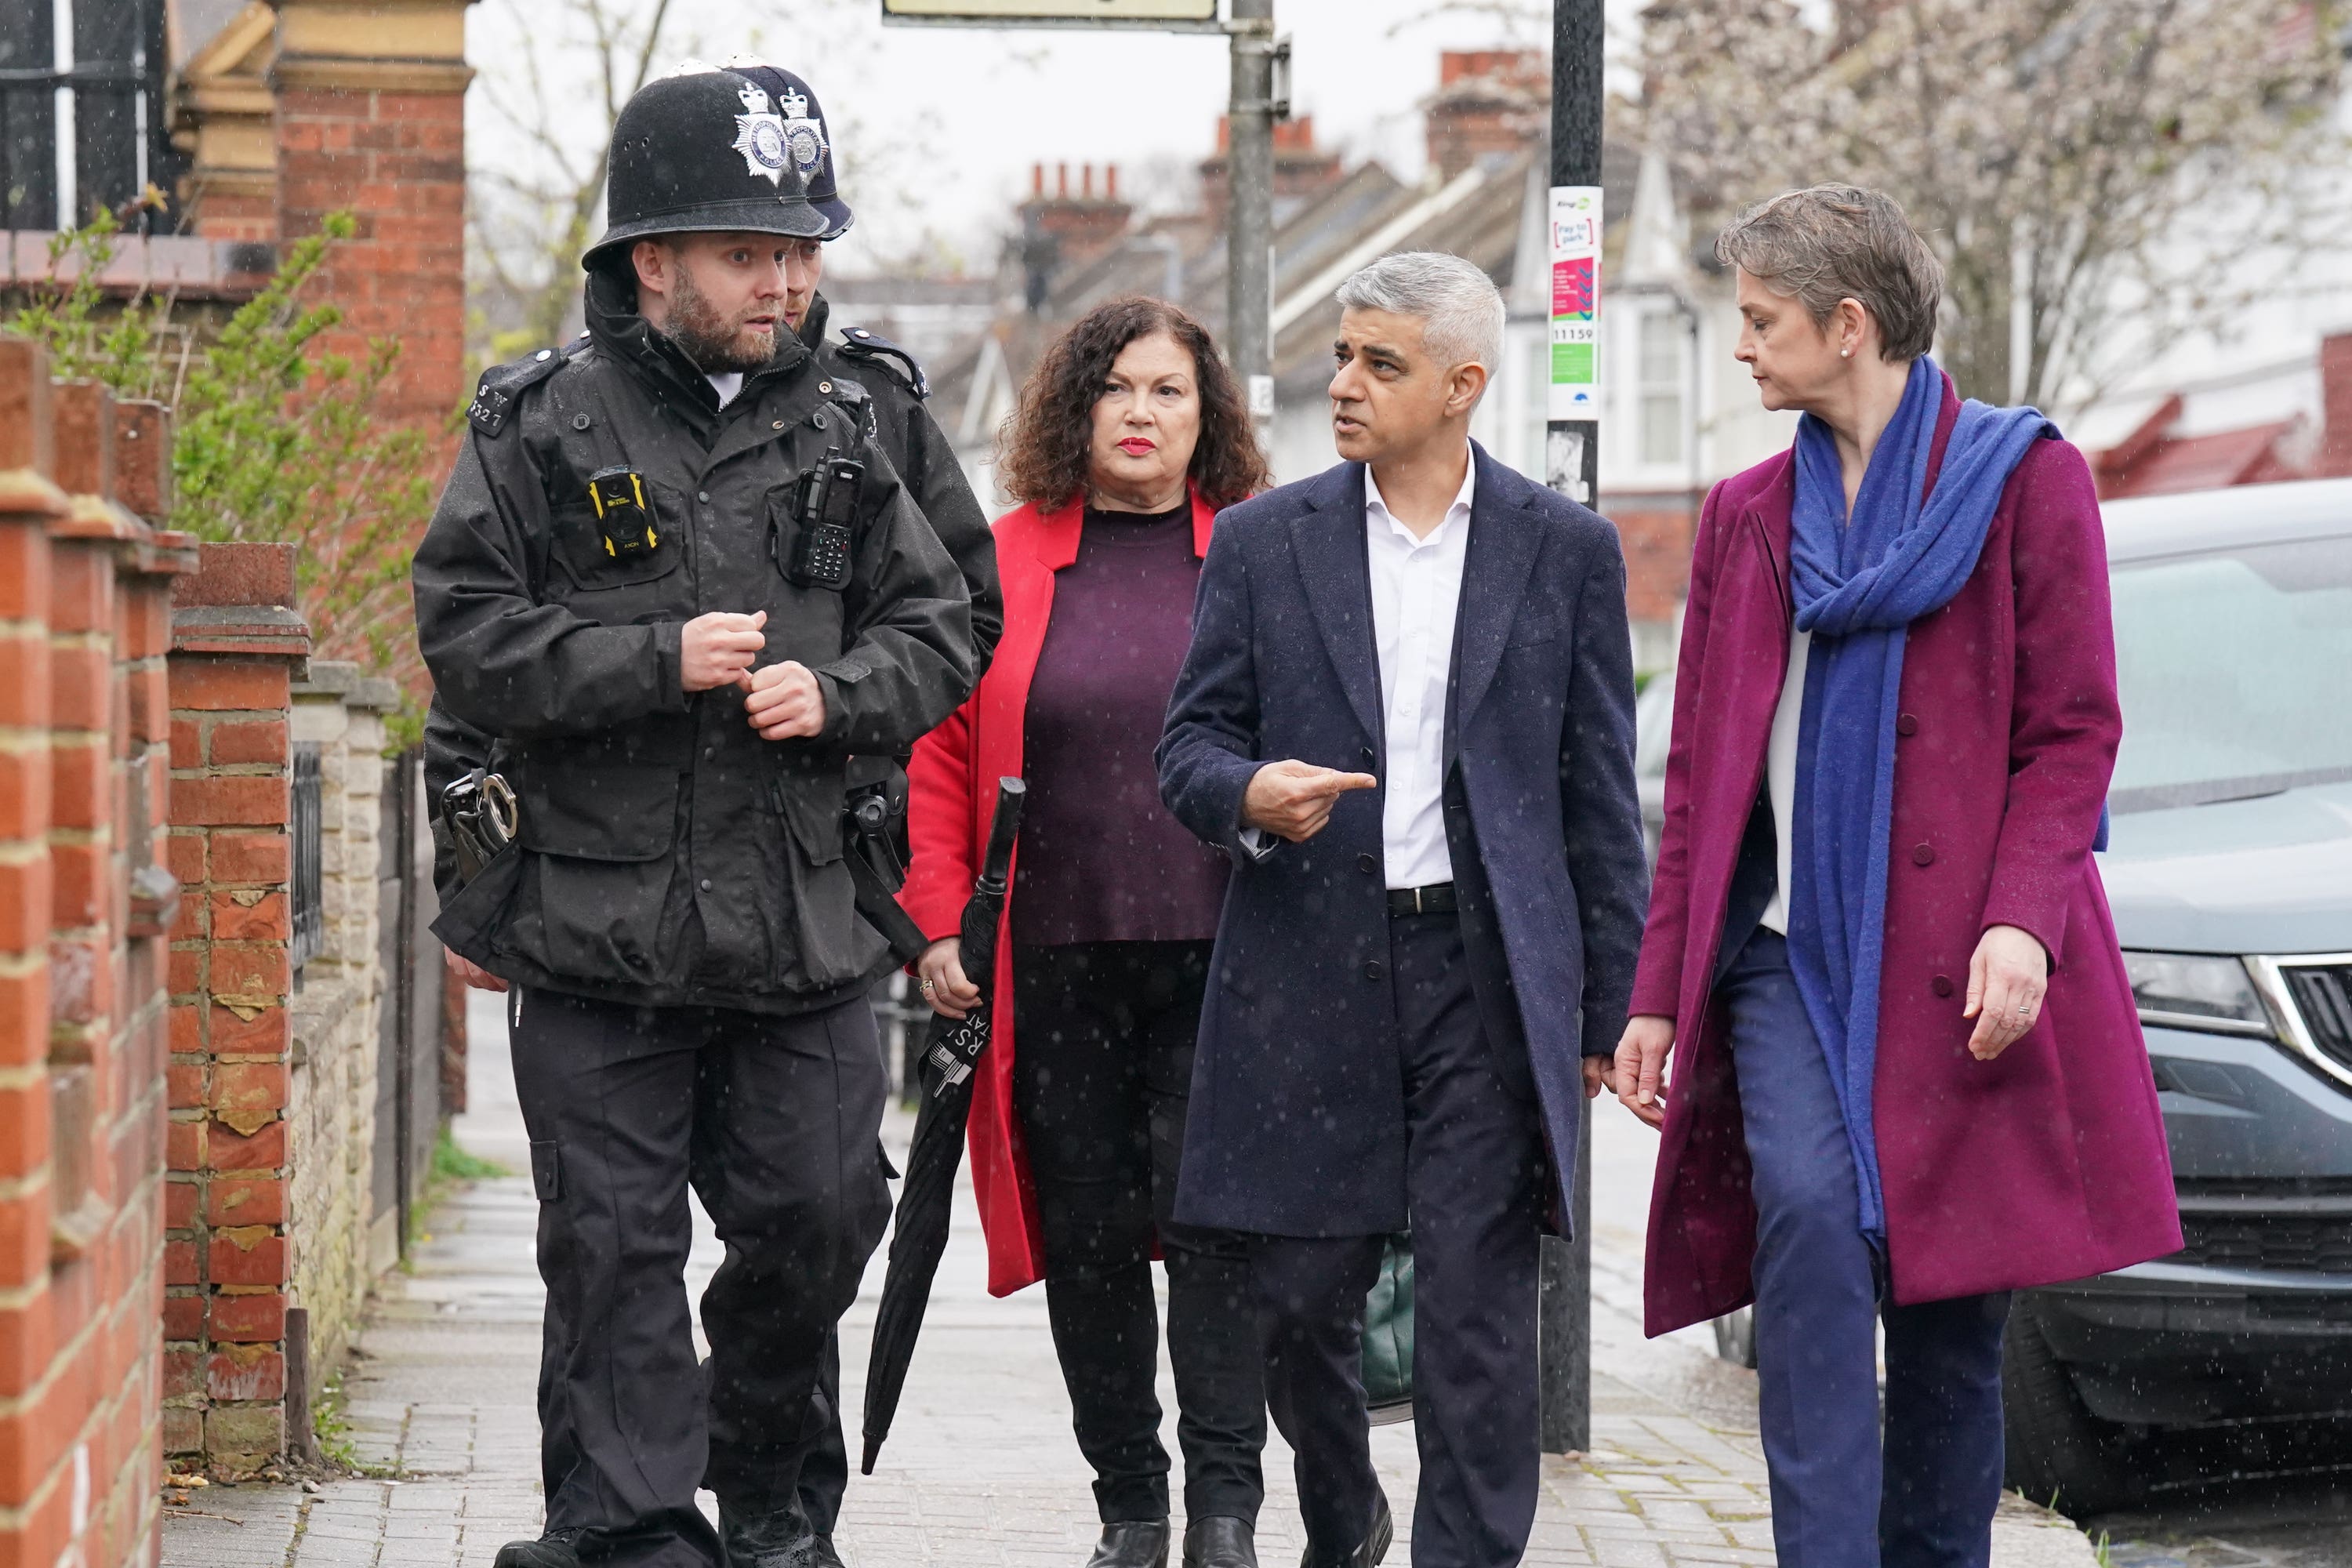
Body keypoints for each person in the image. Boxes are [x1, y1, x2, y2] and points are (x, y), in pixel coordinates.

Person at [425, 62, 1000, 1568]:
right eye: (751, 253)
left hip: (804, 920)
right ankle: (626, 1532)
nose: (785, 281)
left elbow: (955, 621)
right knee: (612, 1257)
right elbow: (467, 635)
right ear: (654, 262)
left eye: (803, 251)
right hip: (594, 929)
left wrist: (846, 689)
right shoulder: (539, 423)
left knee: (814, 1226)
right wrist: (648, 663)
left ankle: (772, 1513)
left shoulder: (870, 418)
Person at [1610, 185, 2180, 1565]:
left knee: (1950, 1314)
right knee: (1807, 1228)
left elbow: (2072, 734)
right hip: (1785, 960)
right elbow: (1701, 785)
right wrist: (1652, 996)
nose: (1740, 348)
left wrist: (2022, 924)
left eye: (1761, 322)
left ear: (1847, 326)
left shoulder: (2029, 479)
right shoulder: (1747, 517)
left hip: (1960, 963)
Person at [1156, 252, 1649, 1568]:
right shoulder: (1270, 540)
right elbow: (1187, 746)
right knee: (1301, 1300)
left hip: (1484, 977)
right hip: (1307, 961)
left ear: (1464, 384)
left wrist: (1608, 1009)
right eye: (1342, 356)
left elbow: (1600, 800)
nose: (1347, 385)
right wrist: (1251, 790)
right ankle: (1342, 1511)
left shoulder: (1566, 552)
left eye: (1382, 362)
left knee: (1479, 1322)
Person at [902, 296, 1274, 1568]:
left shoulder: (1260, 556)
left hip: (1228, 957)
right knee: (1095, 1243)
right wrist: (937, 918)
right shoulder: (996, 560)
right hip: (1050, 959)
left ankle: (1228, 1511)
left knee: (1218, 1235)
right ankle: (1132, 1506)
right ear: (1076, 407)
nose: (1140, 412)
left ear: (1206, 415)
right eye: (1117, 388)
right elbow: (938, 755)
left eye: (1169, 391)